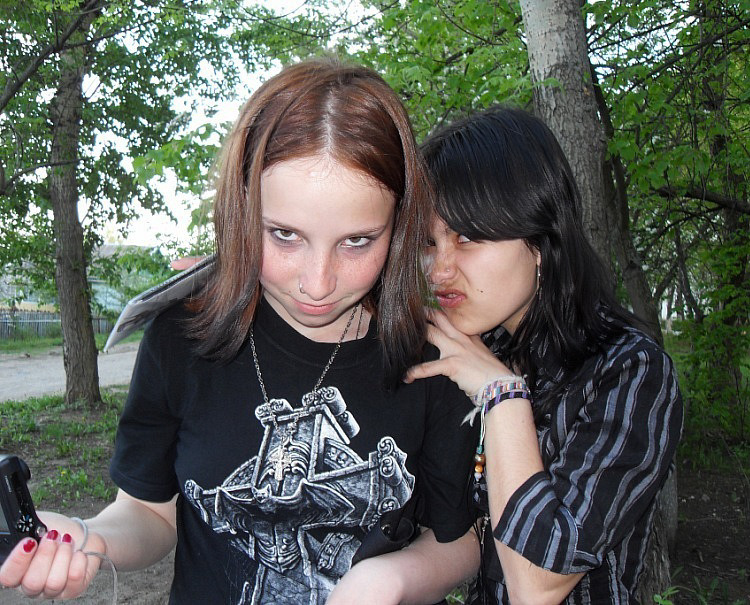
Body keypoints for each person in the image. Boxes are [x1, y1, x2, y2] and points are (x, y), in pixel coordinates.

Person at [0, 58, 480, 604]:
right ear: (241, 210)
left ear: (399, 225)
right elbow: (149, 512)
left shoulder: (434, 359)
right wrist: (88, 539)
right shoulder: (181, 340)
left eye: (357, 241)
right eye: (284, 235)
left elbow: (459, 540)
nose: (317, 283)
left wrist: (389, 580)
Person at [406, 106, 684, 604]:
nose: (439, 270)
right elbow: (447, 527)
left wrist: (503, 396)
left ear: (539, 240)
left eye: (466, 238)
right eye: (429, 242)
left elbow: (538, 584)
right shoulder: (474, 351)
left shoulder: (629, 372)